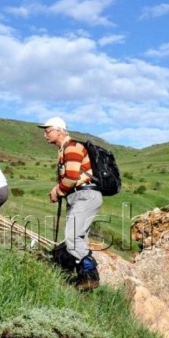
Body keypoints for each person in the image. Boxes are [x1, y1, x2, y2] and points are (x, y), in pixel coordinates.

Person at [38, 116, 101, 290]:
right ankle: (82, 280)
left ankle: (90, 273)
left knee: (72, 238)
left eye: (48, 130)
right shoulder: (66, 149)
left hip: (84, 196)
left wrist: (57, 191)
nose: (45, 135)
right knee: (80, 238)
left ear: (59, 130)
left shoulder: (72, 148)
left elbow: (72, 177)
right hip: (80, 197)